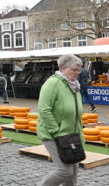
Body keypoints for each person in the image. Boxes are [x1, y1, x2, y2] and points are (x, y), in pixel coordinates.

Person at [37, 54, 84, 186]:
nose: (77, 72)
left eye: (79, 69)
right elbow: (44, 109)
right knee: (65, 171)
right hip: (54, 135)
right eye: (74, 70)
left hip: (71, 134)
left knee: (73, 170)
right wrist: (55, 131)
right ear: (63, 68)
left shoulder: (74, 84)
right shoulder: (53, 83)